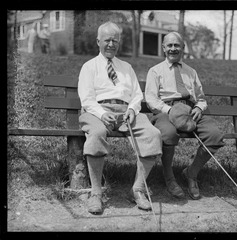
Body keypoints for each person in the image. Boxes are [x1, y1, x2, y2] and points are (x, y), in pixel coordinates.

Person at [78, 21, 162, 215]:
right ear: (98, 41)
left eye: (115, 40)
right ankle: (96, 193)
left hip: (125, 112)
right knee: (97, 132)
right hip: (96, 110)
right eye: (107, 40)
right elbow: (87, 98)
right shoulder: (89, 66)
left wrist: (132, 109)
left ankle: (137, 189)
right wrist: (101, 113)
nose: (111, 44)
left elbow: (137, 95)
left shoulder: (126, 67)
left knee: (153, 134)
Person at [145, 32, 224, 200]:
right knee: (168, 134)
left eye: (177, 45)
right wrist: (169, 111)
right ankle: (169, 178)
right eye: (170, 45)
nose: (173, 49)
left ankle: (191, 173)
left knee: (215, 136)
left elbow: (201, 98)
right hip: (166, 110)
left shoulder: (191, 72)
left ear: (183, 48)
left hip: (190, 110)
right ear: (163, 48)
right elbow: (151, 99)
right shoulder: (155, 71)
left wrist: (199, 108)